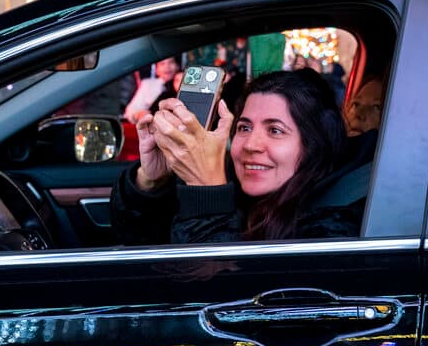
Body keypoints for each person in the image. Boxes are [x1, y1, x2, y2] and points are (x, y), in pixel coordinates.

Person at [110, 68, 368, 245]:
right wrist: (151, 182)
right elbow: (146, 251)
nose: (251, 145)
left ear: (314, 146)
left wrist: (207, 191)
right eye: (244, 127)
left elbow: (222, 294)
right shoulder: (239, 192)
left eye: (275, 130)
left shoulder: (334, 226)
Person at [123, 57, 181, 123]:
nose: (167, 67)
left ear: (177, 66)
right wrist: (139, 115)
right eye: (162, 64)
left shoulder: (182, 82)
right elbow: (131, 110)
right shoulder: (148, 84)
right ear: (156, 70)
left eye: (171, 62)